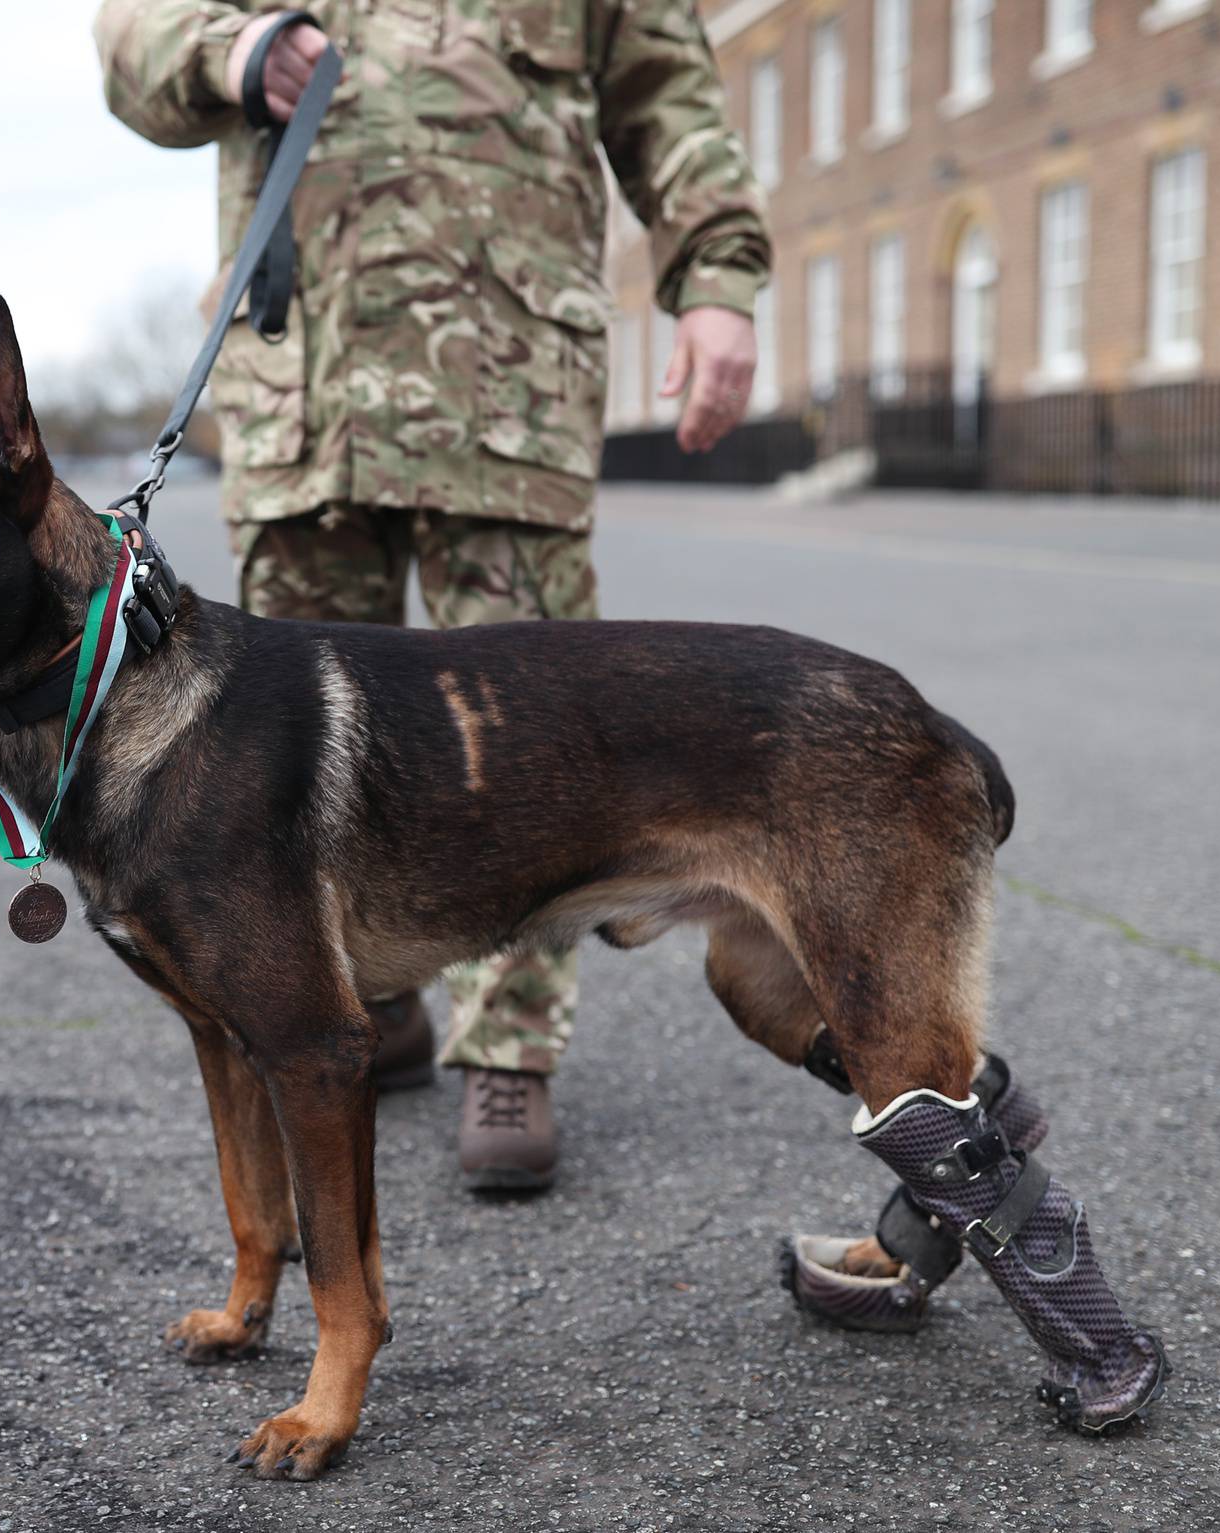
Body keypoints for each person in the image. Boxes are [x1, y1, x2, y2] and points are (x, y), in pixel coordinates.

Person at [94, 0, 769, 1191]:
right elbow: (132, 44)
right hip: (308, 380)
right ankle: (352, 992)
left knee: (535, 748)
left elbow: (666, 89)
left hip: (504, 375)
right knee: (276, 756)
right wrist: (232, 54)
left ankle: (508, 1048)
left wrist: (717, 277)